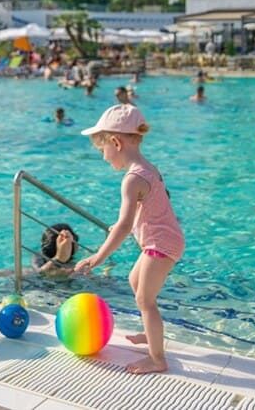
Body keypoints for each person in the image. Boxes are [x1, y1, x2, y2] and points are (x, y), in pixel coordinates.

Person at [75, 105, 184, 374]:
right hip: (165, 240)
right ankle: (151, 332)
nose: (103, 157)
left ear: (115, 142)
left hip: (159, 245)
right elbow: (156, 204)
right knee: (135, 282)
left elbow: (123, 226)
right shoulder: (148, 168)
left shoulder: (131, 179)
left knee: (145, 300)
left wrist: (98, 257)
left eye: (103, 151)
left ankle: (157, 358)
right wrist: (134, 224)